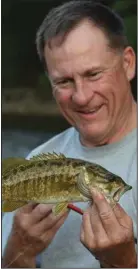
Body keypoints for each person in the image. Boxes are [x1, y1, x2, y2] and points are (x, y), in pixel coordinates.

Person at [2, 1, 137, 268]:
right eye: (64, 81)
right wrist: (19, 250)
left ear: (128, 64)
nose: (82, 96)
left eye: (94, 74)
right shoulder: (37, 160)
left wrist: (125, 262)